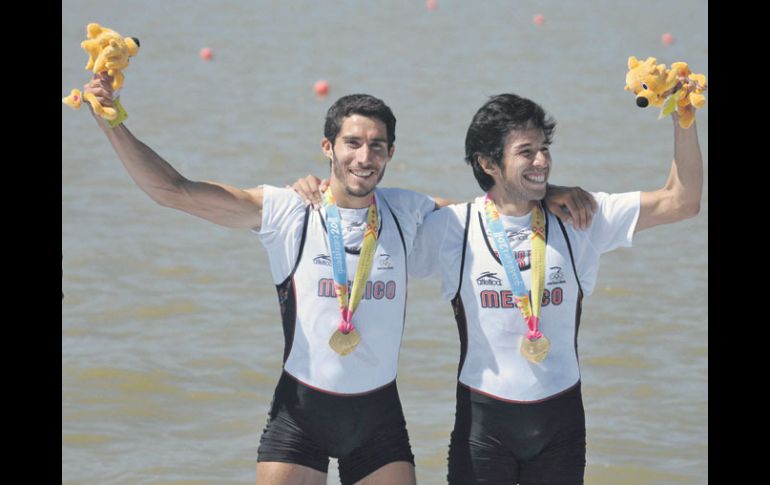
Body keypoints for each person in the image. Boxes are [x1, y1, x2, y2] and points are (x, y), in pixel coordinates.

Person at [80, 73, 595, 484]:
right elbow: (174, 190)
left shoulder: (408, 211)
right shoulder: (288, 210)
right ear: (328, 147)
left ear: (390, 154)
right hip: (300, 416)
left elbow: (493, 212)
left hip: (378, 422)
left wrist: (543, 190)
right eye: (353, 143)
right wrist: (112, 122)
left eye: (377, 146)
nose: (364, 157)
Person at [405, 93, 703, 484]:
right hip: (483, 430)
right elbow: (378, 222)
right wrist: (329, 187)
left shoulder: (581, 216)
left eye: (544, 149)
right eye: (526, 152)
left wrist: (684, 117)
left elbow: (681, 201)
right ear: (488, 163)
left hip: (560, 428)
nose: (542, 161)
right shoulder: (453, 229)